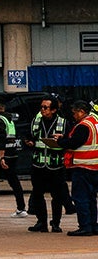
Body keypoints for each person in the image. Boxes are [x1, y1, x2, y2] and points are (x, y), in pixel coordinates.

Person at [26, 97, 70, 232]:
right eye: (41, 107)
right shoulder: (36, 121)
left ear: (54, 110)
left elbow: (69, 142)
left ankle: (56, 223)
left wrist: (61, 140)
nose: (42, 110)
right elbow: (29, 136)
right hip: (38, 164)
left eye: (45, 107)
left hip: (55, 165)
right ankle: (41, 222)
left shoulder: (63, 123)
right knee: (37, 194)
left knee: (57, 196)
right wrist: (28, 142)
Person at [61, 99, 98, 236]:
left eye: (75, 113)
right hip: (94, 166)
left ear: (81, 112)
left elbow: (74, 143)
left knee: (81, 198)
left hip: (83, 166)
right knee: (91, 198)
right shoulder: (95, 122)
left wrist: (60, 141)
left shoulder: (83, 126)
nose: (73, 116)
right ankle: (93, 225)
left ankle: (85, 226)